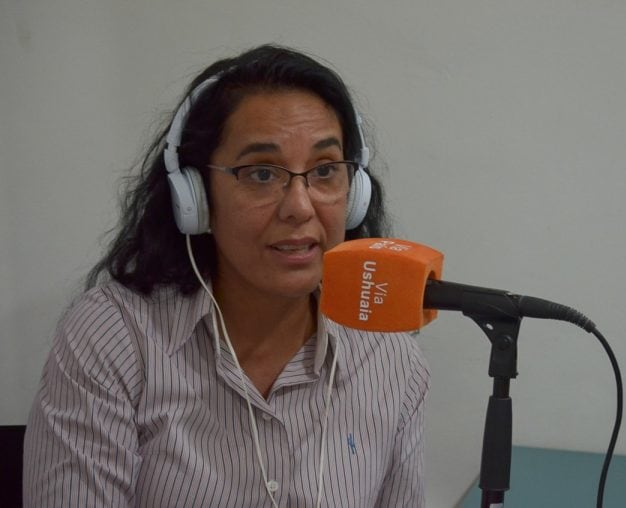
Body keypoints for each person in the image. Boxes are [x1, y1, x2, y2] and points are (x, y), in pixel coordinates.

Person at [24, 44, 430, 507]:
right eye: (261, 173)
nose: (300, 206)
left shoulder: (390, 356)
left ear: (353, 192)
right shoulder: (115, 337)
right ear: (195, 198)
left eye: (324, 171)